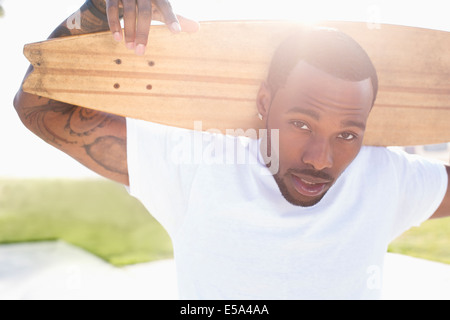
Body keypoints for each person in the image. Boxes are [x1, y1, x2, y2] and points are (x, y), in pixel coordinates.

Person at [14, 0, 450, 299]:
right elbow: (40, 108)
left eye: (348, 135)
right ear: (265, 103)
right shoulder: (199, 165)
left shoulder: (386, 177)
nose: (321, 158)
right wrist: (91, 14)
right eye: (301, 124)